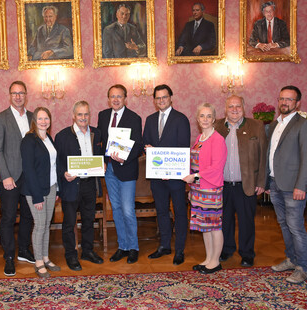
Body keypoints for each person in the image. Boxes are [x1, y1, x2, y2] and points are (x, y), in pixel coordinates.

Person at [215, 95, 267, 267]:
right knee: (225, 221)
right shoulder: (217, 126)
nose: (235, 109)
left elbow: (263, 157)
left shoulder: (256, 126)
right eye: (231, 106)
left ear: (244, 107)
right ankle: (227, 250)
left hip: (247, 184)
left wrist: (261, 181)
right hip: (223, 185)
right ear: (225, 109)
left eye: (238, 106)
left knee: (246, 222)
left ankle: (247, 253)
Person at [143, 85, 190, 265]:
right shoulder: (150, 119)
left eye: (164, 97)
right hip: (156, 177)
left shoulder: (181, 119)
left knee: (179, 212)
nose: (161, 100)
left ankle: (179, 249)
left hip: (177, 177)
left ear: (171, 97)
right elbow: (146, 142)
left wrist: (167, 169)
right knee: (161, 211)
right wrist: (147, 149)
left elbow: (183, 148)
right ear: (154, 100)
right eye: (158, 98)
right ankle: (164, 245)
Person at [0, 81, 35, 276]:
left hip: (30, 177)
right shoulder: (0, 118)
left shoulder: (34, 117)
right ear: (9, 95)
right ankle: (9, 256)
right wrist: (5, 175)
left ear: (26, 95)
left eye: (21, 93)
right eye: (14, 93)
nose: (18, 96)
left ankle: (24, 251)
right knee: (8, 217)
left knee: (28, 215)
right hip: (10, 177)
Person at [55, 101, 104, 271]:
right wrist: (64, 174)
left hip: (90, 184)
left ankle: (88, 251)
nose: (83, 118)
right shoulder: (62, 136)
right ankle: (71, 254)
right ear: (74, 116)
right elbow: (58, 163)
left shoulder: (97, 133)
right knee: (69, 222)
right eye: (80, 115)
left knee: (89, 220)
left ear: (90, 115)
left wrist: (102, 164)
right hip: (71, 185)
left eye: (86, 114)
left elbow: (100, 156)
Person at [97, 84, 143, 264]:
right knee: (115, 210)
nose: (115, 100)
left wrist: (124, 159)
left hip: (126, 169)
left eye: (119, 96)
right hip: (109, 171)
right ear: (108, 99)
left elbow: (138, 145)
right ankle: (122, 246)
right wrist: (101, 161)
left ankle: (133, 247)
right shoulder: (103, 116)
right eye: (112, 96)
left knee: (128, 210)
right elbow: (100, 143)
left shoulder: (134, 118)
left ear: (125, 98)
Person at [266, 85, 307, 284]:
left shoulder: (302, 124)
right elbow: (270, 155)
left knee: (296, 227)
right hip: (275, 184)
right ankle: (291, 259)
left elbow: (306, 157)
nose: (284, 102)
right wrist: (267, 180)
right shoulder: (274, 124)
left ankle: (303, 267)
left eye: (289, 99)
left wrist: (302, 185)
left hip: (294, 187)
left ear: (297, 103)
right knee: (284, 225)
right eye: (282, 98)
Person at [183, 103, 227, 274]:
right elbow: (193, 164)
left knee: (214, 226)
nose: (205, 119)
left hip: (211, 189)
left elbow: (216, 167)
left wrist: (194, 177)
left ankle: (215, 261)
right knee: (204, 226)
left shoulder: (218, 139)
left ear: (214, 119)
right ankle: (208, 258)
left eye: (209, 116)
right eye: (202, 116)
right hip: (198, 189)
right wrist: (191, 185)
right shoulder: (199, 138)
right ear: (197, 118)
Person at [21, 107, 60, 278]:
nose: (44, 121)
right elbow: (28, 170)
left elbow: (52, 166)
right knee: (40, 225)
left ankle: (45, 257)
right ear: (34, 121)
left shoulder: (48, 138)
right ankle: (38, 262)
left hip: (51, 187)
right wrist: (37, 196)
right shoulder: (29, 140)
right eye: (40, 118)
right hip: (35, 190)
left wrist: (57, 188)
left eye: (46, 118)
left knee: (47, 224)